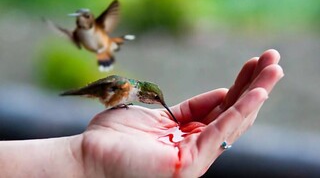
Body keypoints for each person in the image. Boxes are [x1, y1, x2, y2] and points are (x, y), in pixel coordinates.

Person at [0, 49, 283, 177]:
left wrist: (84, 162)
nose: (157, 103)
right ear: (146, 95)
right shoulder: (125, 86)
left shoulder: (135, 92)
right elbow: (109, 86)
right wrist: (86, 159)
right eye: (155, 99)